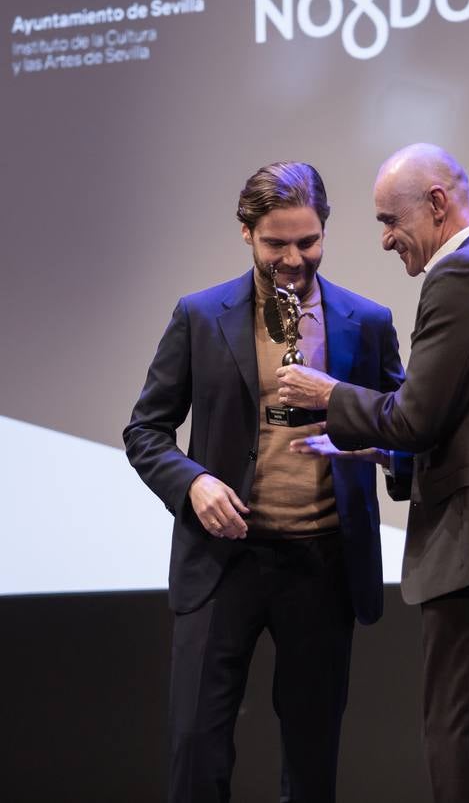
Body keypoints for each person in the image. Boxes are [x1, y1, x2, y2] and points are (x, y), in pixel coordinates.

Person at [277, 144, 469, 803]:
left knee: (463, 752)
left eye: (388, 220)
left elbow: (415, 417)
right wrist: (378, 450)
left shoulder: (462, 273)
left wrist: (329, 395)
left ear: (436, 204)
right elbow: (466, 420)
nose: (383, 240)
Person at [123, 161, 410, 803]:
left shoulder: (366, 321)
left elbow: (410, 428)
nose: (293, 258)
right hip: (223, 561)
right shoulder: (200, 316)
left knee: (312, 760)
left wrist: (380, 450)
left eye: (307, 241)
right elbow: (144, 431)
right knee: (197, 749)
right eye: (276, 242)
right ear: (246, 233)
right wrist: (193, 483)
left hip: (323, 561)